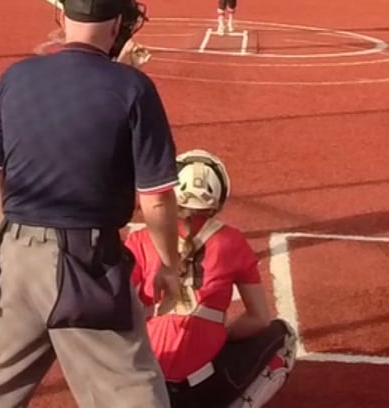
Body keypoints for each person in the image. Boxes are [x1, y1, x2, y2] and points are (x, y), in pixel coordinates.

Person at [0, 0, 184, 408]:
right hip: (86, 264)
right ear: (118, 25)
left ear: (62, 16)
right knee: (134, 397)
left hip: (14, 260)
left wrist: (26, 232)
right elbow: (155, 197)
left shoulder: (16, 77)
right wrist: (169, 265)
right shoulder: (133, 88)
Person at [125, 151, 297, 408]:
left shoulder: (140, 239)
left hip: (146, 386)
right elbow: (259, 318)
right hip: (202, 389)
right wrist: (221, 335)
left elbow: (117, 305)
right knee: (284, 336)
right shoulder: (232, 241)